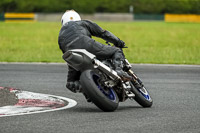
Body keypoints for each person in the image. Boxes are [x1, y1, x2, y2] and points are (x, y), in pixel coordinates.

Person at [58, 10, 131, 93]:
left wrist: (72, 77)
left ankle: (87, 92)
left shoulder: (60, 36)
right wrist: (118, 42)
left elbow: (68, 59)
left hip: (72, 55)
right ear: (78, 18)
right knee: (116, 51)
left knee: (71, 83)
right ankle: (119, 70)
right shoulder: (83, 23)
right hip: (86, 44)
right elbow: (103, 33)